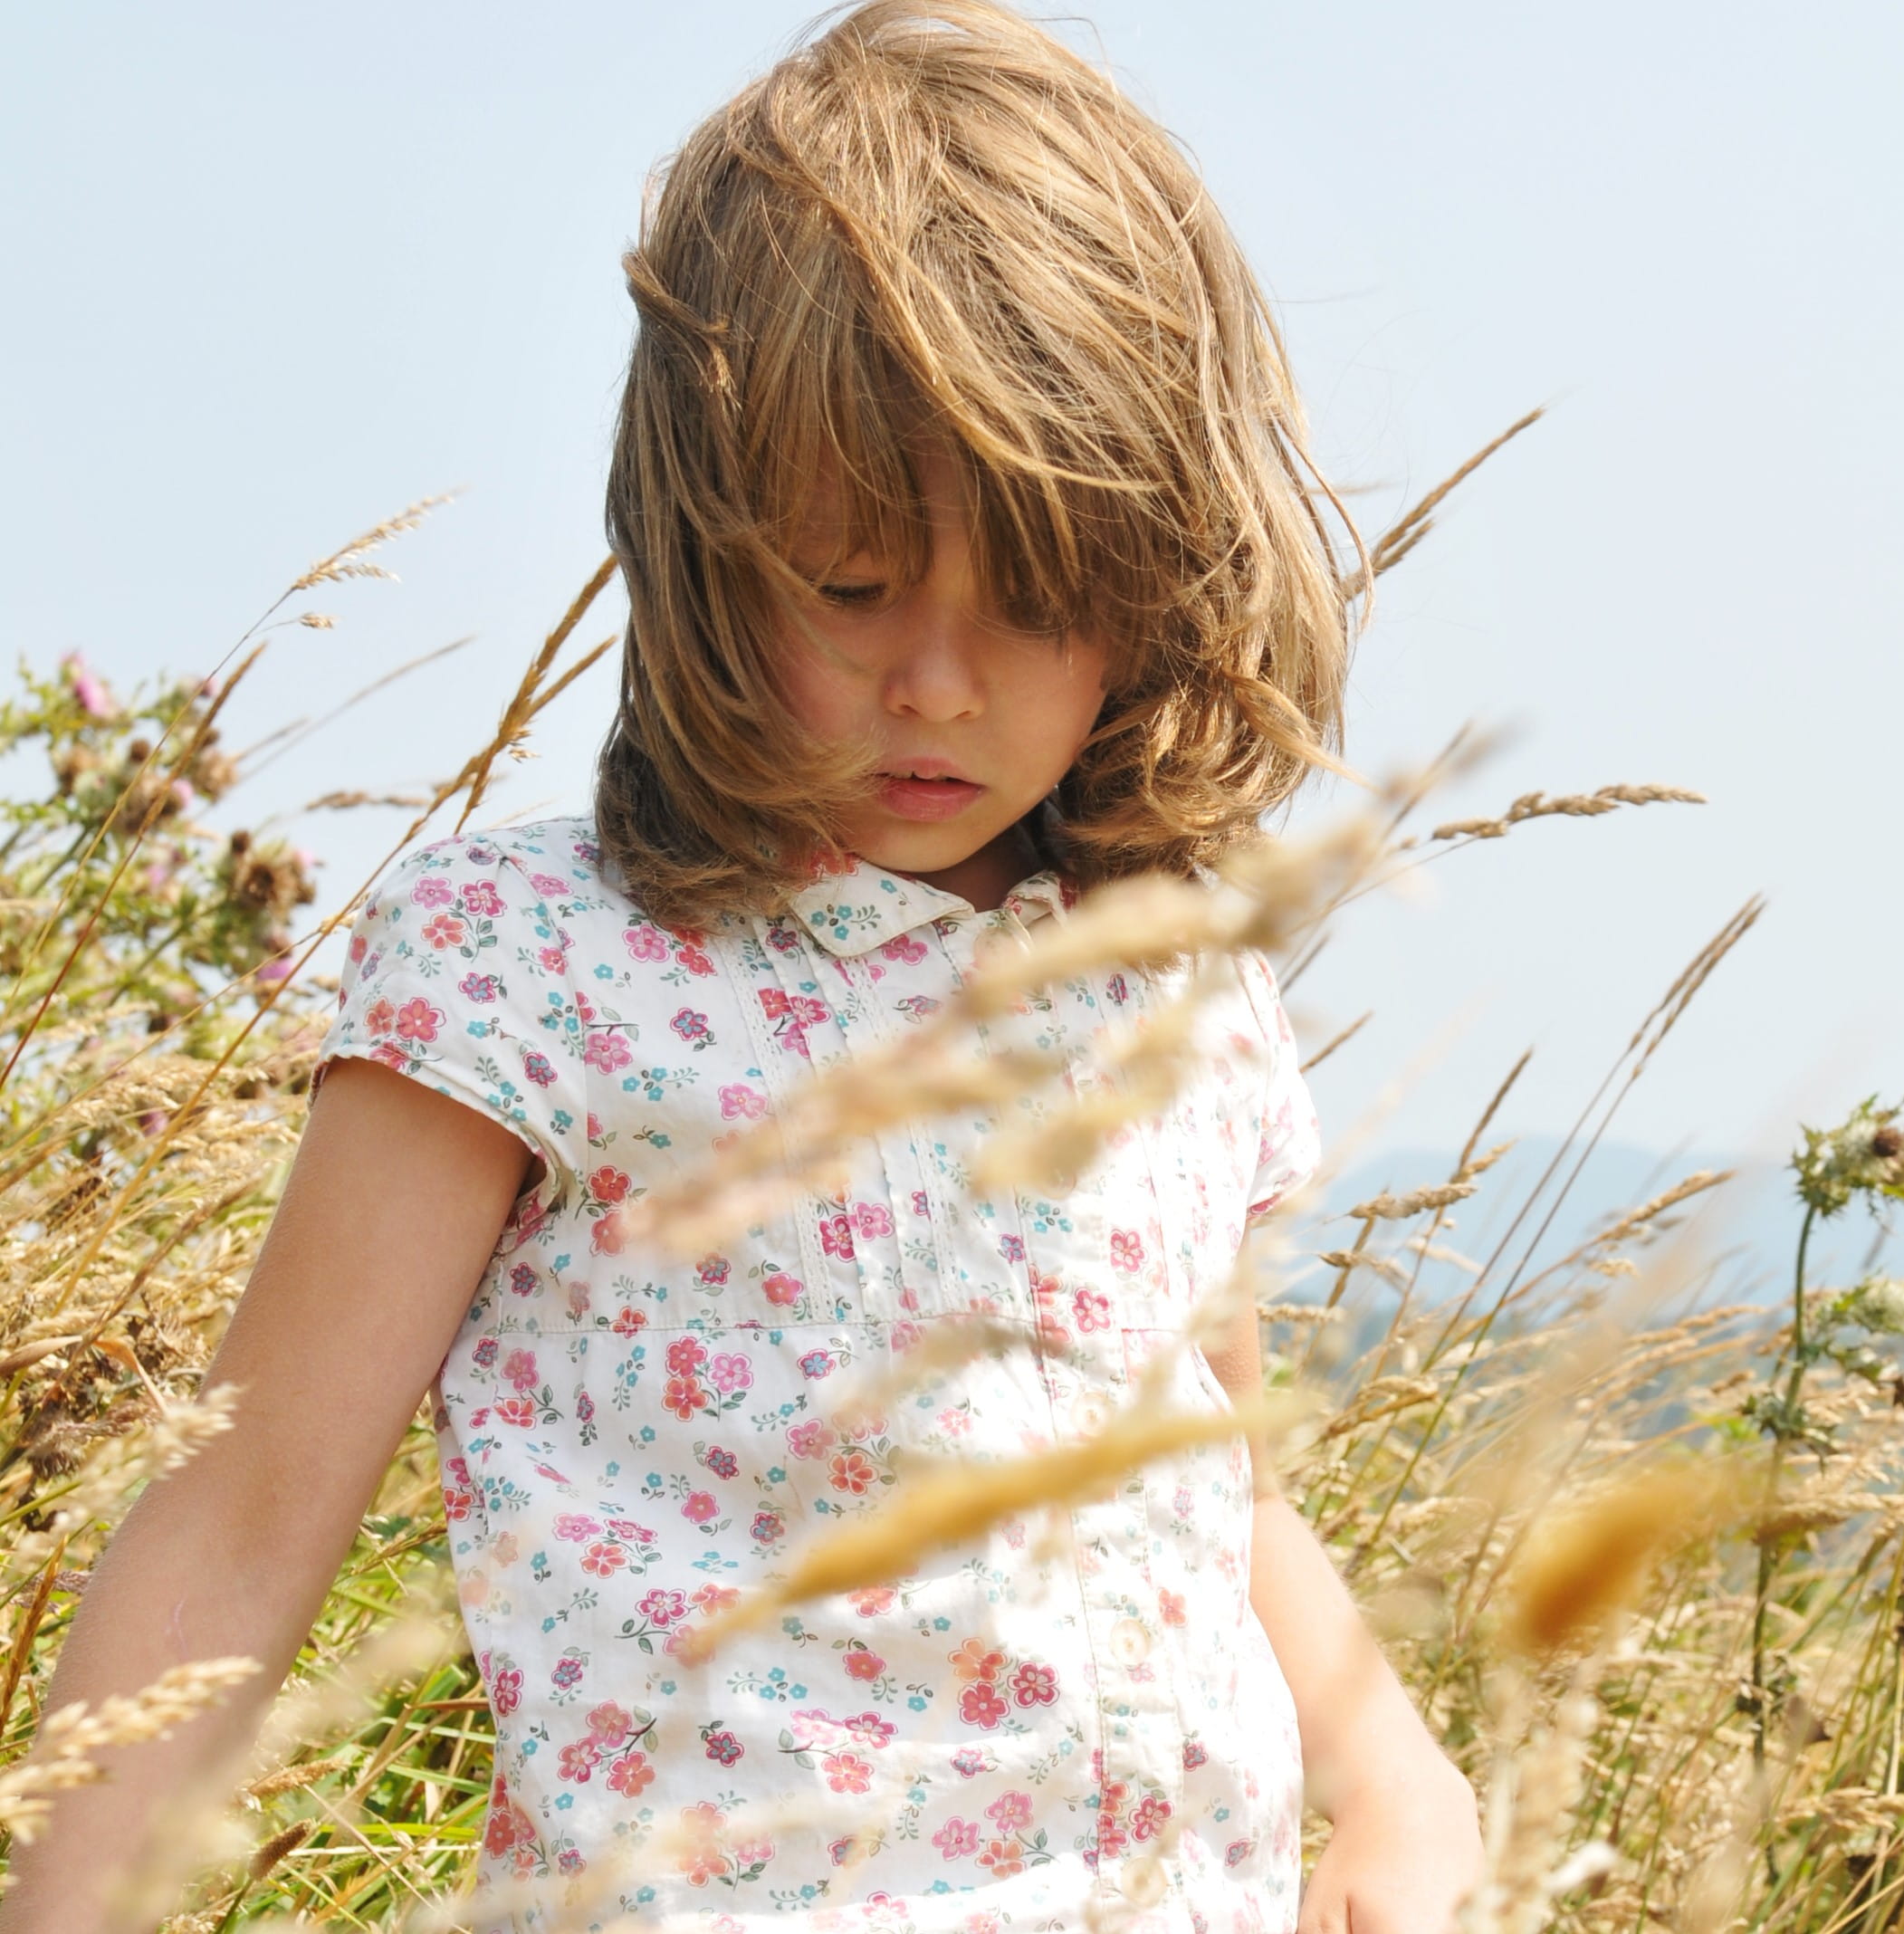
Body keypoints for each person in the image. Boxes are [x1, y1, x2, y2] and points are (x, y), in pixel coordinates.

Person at [0, 5, 1484, 1929]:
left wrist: (1394, 1767)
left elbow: (1222, 1487)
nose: (936, 677)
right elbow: (244, 1522)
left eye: (1033, 597)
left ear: (1156, 580)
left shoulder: (1167, 992)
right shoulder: (524, 971)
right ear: (706, 547)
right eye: (852, 585)